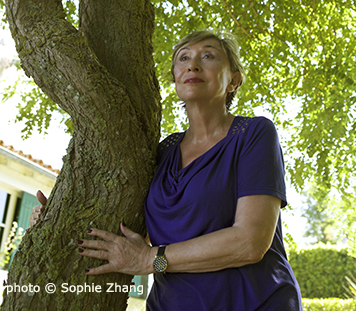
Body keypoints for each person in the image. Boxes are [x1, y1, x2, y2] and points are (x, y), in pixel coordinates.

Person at [30, 30, 302, 310]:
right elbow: (136, 231)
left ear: (234, 80)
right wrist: (58, 219)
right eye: (183, 58)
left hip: (256, 303)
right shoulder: (163, 151)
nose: (192, 65)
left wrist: (151, 260)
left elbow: (251, 242)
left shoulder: (254, 134)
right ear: (175, 79)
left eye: (208, 56)